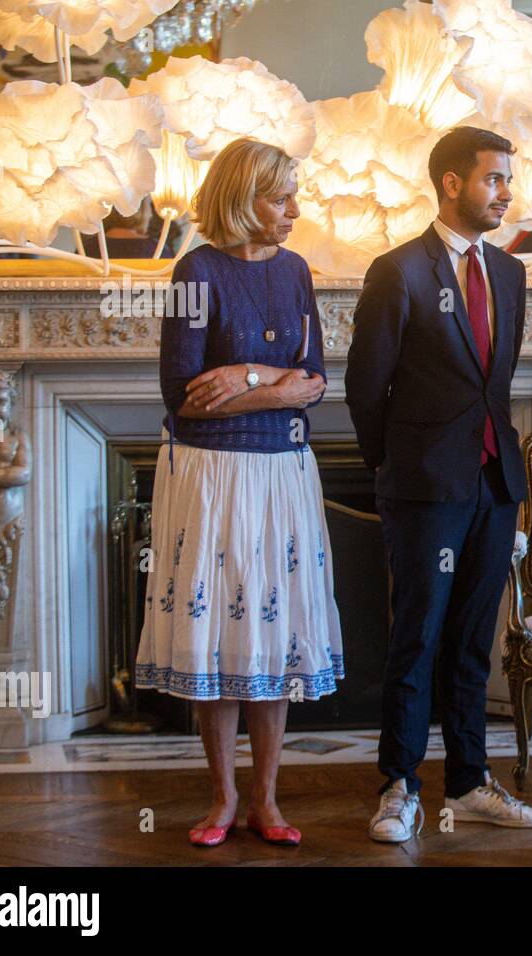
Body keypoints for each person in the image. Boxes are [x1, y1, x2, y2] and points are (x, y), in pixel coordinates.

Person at [135, 137, 339, 849]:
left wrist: (251, 374)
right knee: (220, 639)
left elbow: (314, 382)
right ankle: (223, 799)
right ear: (240, 197)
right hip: (211, 479)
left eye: (293, 195)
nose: (293, 209)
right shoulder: (197, 269)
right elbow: (185, 398)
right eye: (280, 197)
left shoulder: (296, 272)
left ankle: (268, 801)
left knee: (274, 639)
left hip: (282, 475)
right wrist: (279, 389)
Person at [346, 126, 532, 844]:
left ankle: (468, 779)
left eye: (508, 180)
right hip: (423, 488)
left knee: (471, 643)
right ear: (452, 183)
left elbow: (498, 384)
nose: (506, 192)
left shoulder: (513, 275)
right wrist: (394, 468)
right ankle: (398, 787)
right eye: (494, 179)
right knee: (418, 638)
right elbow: (365, 388)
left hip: (495, 483)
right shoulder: (398, 272)